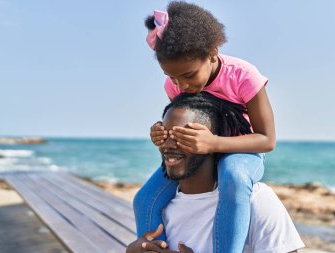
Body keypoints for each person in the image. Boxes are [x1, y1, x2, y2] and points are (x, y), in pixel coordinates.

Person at [134, 2, 276, 253]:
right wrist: (164, 133)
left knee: (233, 177)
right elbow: (183, 119)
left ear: (212, 52)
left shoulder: (243, 76)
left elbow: (267, 139)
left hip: (242, 150)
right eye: (173, 77)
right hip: (201, 152)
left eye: (188, 75)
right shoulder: (174, 85)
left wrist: (214, 143)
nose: (181, 85)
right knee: (145, 199)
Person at [127, 92, 304, 253]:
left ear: (210, 142)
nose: (167, 145)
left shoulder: (255, 199)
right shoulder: (158, 205)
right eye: (164, 135)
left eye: (182, 137)